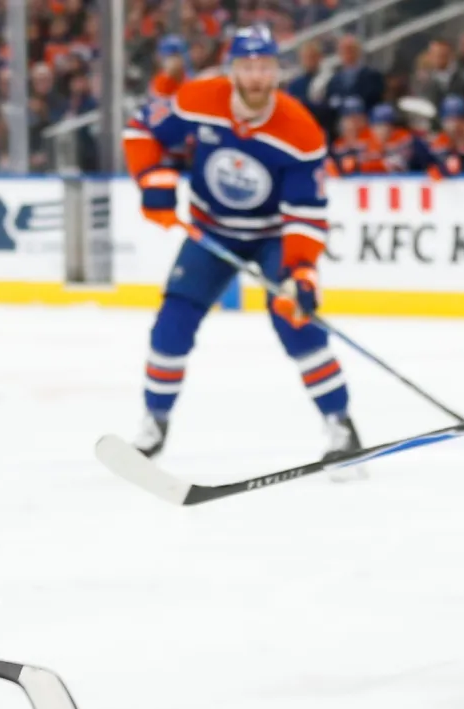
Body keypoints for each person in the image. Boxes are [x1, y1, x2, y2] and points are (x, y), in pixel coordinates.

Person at [124, 24, 356, 461]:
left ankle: (340, 425)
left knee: (296, 321)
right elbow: (141, 129)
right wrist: (154, 182)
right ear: (232, 69)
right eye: (247, 67)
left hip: (272, 237)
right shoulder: (198, 99)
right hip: (210, 230)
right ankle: (154, 421)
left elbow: (306, 213)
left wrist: (300, 271)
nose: (255, 77)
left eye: (264, 67)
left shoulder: (300, 132)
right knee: (172, 323)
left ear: (277, 72)